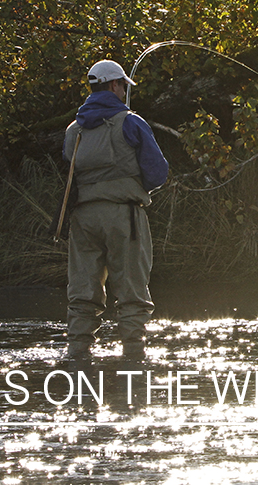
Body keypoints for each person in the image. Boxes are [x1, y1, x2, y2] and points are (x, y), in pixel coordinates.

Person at [62, 59, 168, 361]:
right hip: (124, 215)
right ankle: (134, 356)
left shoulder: (74, 129)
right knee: (132, 289)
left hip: (82, 219)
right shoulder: (131, 122)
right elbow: (158, 172)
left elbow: (70, 166)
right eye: (123, 86)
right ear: (113, 85)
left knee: (83, 289)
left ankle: (77, 353)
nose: (124, 92)